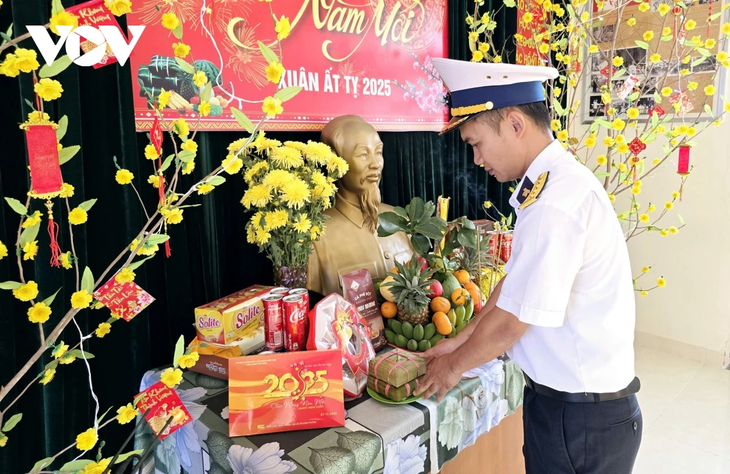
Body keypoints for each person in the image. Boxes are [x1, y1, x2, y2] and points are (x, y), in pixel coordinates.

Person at [414, 58, 642, 473]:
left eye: (476, 143)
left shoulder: (555, 202)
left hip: (581, 418)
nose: (477, 158)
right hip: (569, 408)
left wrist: (451, 369)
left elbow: (513, 323)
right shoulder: (548, 188)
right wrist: (461, 340)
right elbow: (513, 287)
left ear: (515, 124)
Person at [306, 115, 413, 296]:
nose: (375, 164)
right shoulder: (316, 236)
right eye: (363, 154)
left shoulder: (401, 220)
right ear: (335, 162)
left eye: (378, 152)